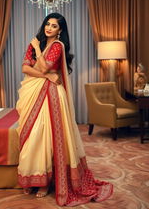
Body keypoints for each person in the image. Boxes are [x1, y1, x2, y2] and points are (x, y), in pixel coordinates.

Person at [16, 13, 113, 207]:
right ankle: (32, 178)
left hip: (52, 95)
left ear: (60, 30)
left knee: (48, 137)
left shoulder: (57, 46)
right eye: (47, 24)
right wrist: (47, 76)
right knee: (33, 138)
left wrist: (38, 52)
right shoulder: (36, 43)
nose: (49, 28)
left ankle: (45, 183)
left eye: (54, 26)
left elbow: (45, 67)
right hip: (34, 92)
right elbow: (25, 69)